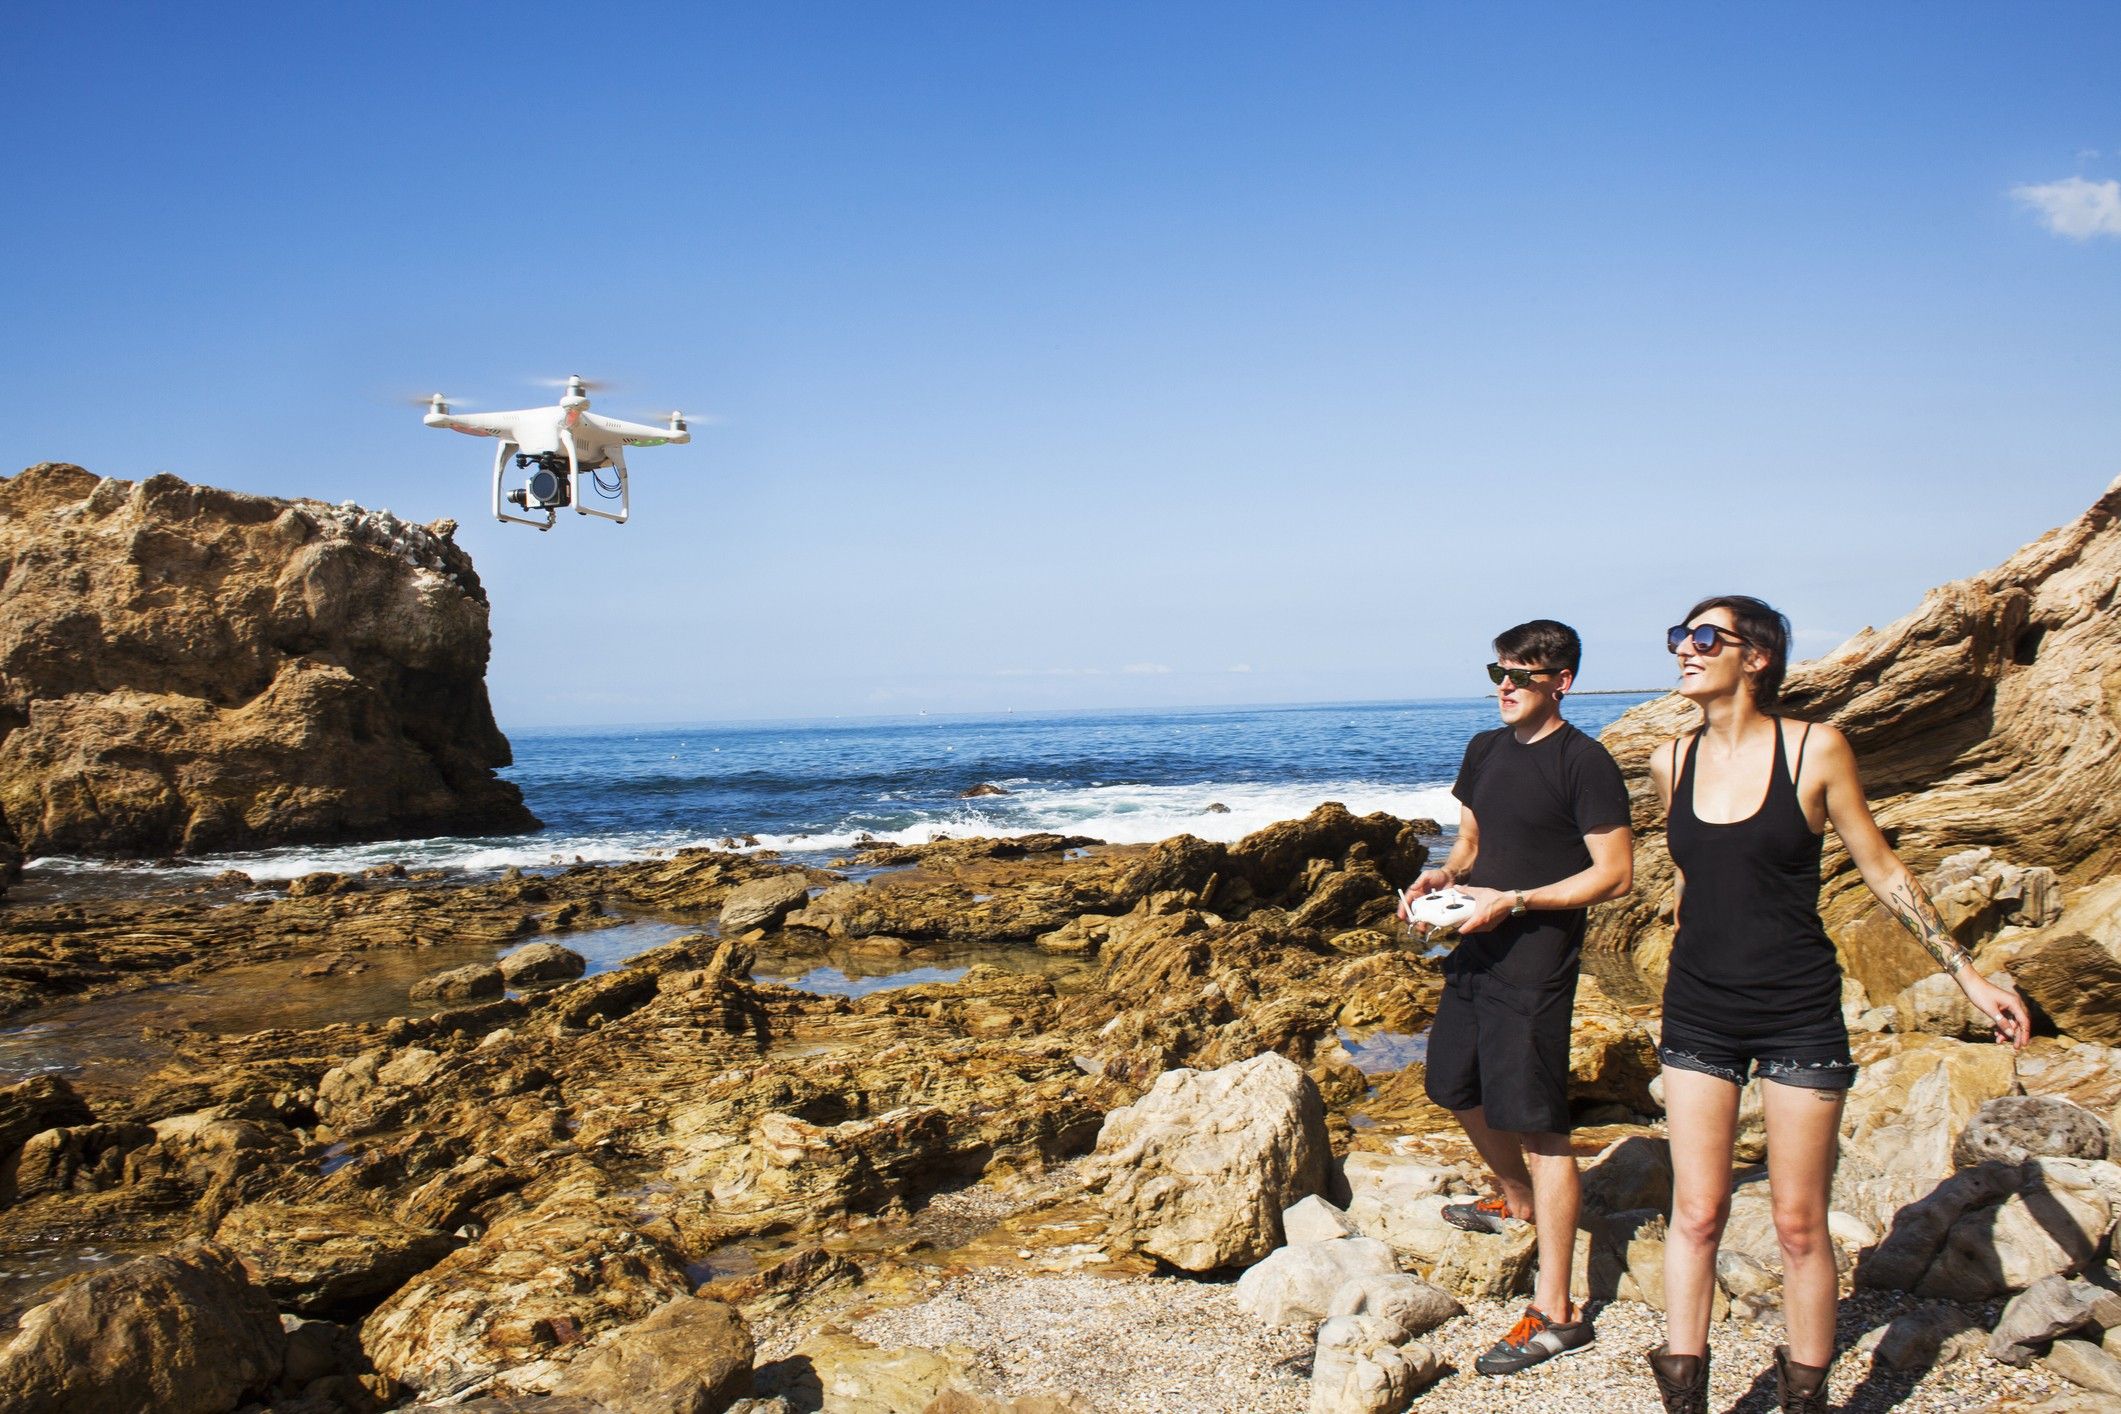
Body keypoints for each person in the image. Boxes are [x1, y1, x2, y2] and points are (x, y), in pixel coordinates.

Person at [1642, 596, 2030, 1414]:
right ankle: (1683, 1400)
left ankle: (1804, 1401)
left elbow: (1883, 869)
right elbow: (1689, 879)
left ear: (1755, 657)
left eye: (1704, 637)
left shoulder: (1815, 749)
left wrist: (1967, 975)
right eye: (1680, 636)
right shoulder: (1668, 763)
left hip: (1796, 1011)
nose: (1684, 649)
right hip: (1698, 1012)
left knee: (1795, 1224)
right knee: (1697, 1211)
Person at [1399, 619, 1634, 1375]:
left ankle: (1557, 1311)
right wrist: (1442, 876)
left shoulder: (1584, 762)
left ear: (1558, 683)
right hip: (1475, 942)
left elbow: (1612, 873)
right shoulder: (1483, 749)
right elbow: (1469, 844)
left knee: (1539, 1125)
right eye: (1497, 671)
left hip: (1535, 956)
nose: (1504, 685)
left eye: (1522, 675)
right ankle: (1515, 1198)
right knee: (1450, 1084)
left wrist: (1518, 901)